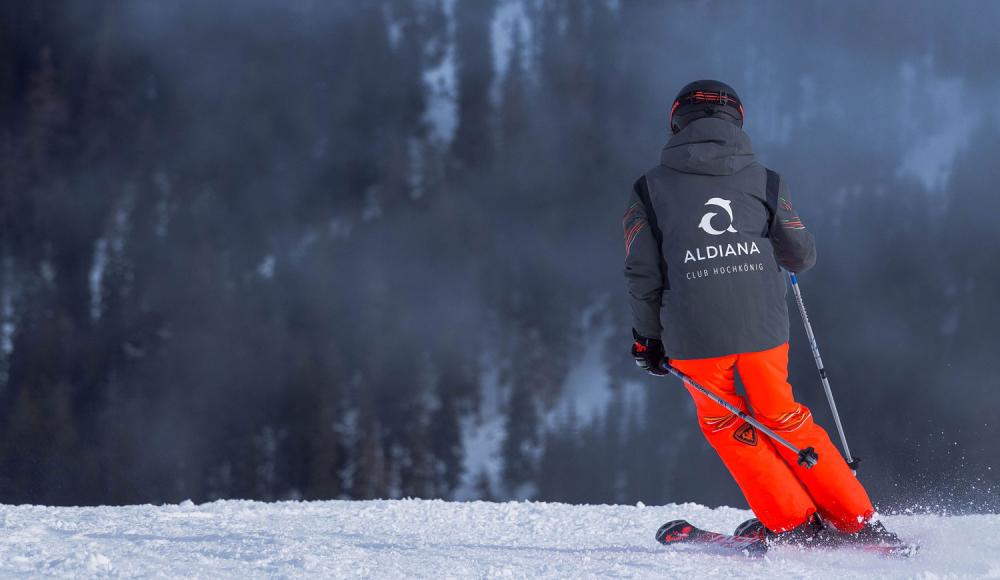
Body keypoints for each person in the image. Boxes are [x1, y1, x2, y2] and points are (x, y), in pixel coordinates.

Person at [623, 79, 896, 544]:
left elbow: (642, 274)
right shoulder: (766, 180)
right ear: (737, 121)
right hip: (763, 327)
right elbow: (800, 255)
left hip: (694, 335)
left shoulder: (648, 189)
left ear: (676, 121)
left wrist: (647, 340)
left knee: (726, 422)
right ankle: (856, 520)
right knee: (783, 416)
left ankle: (793, 522)